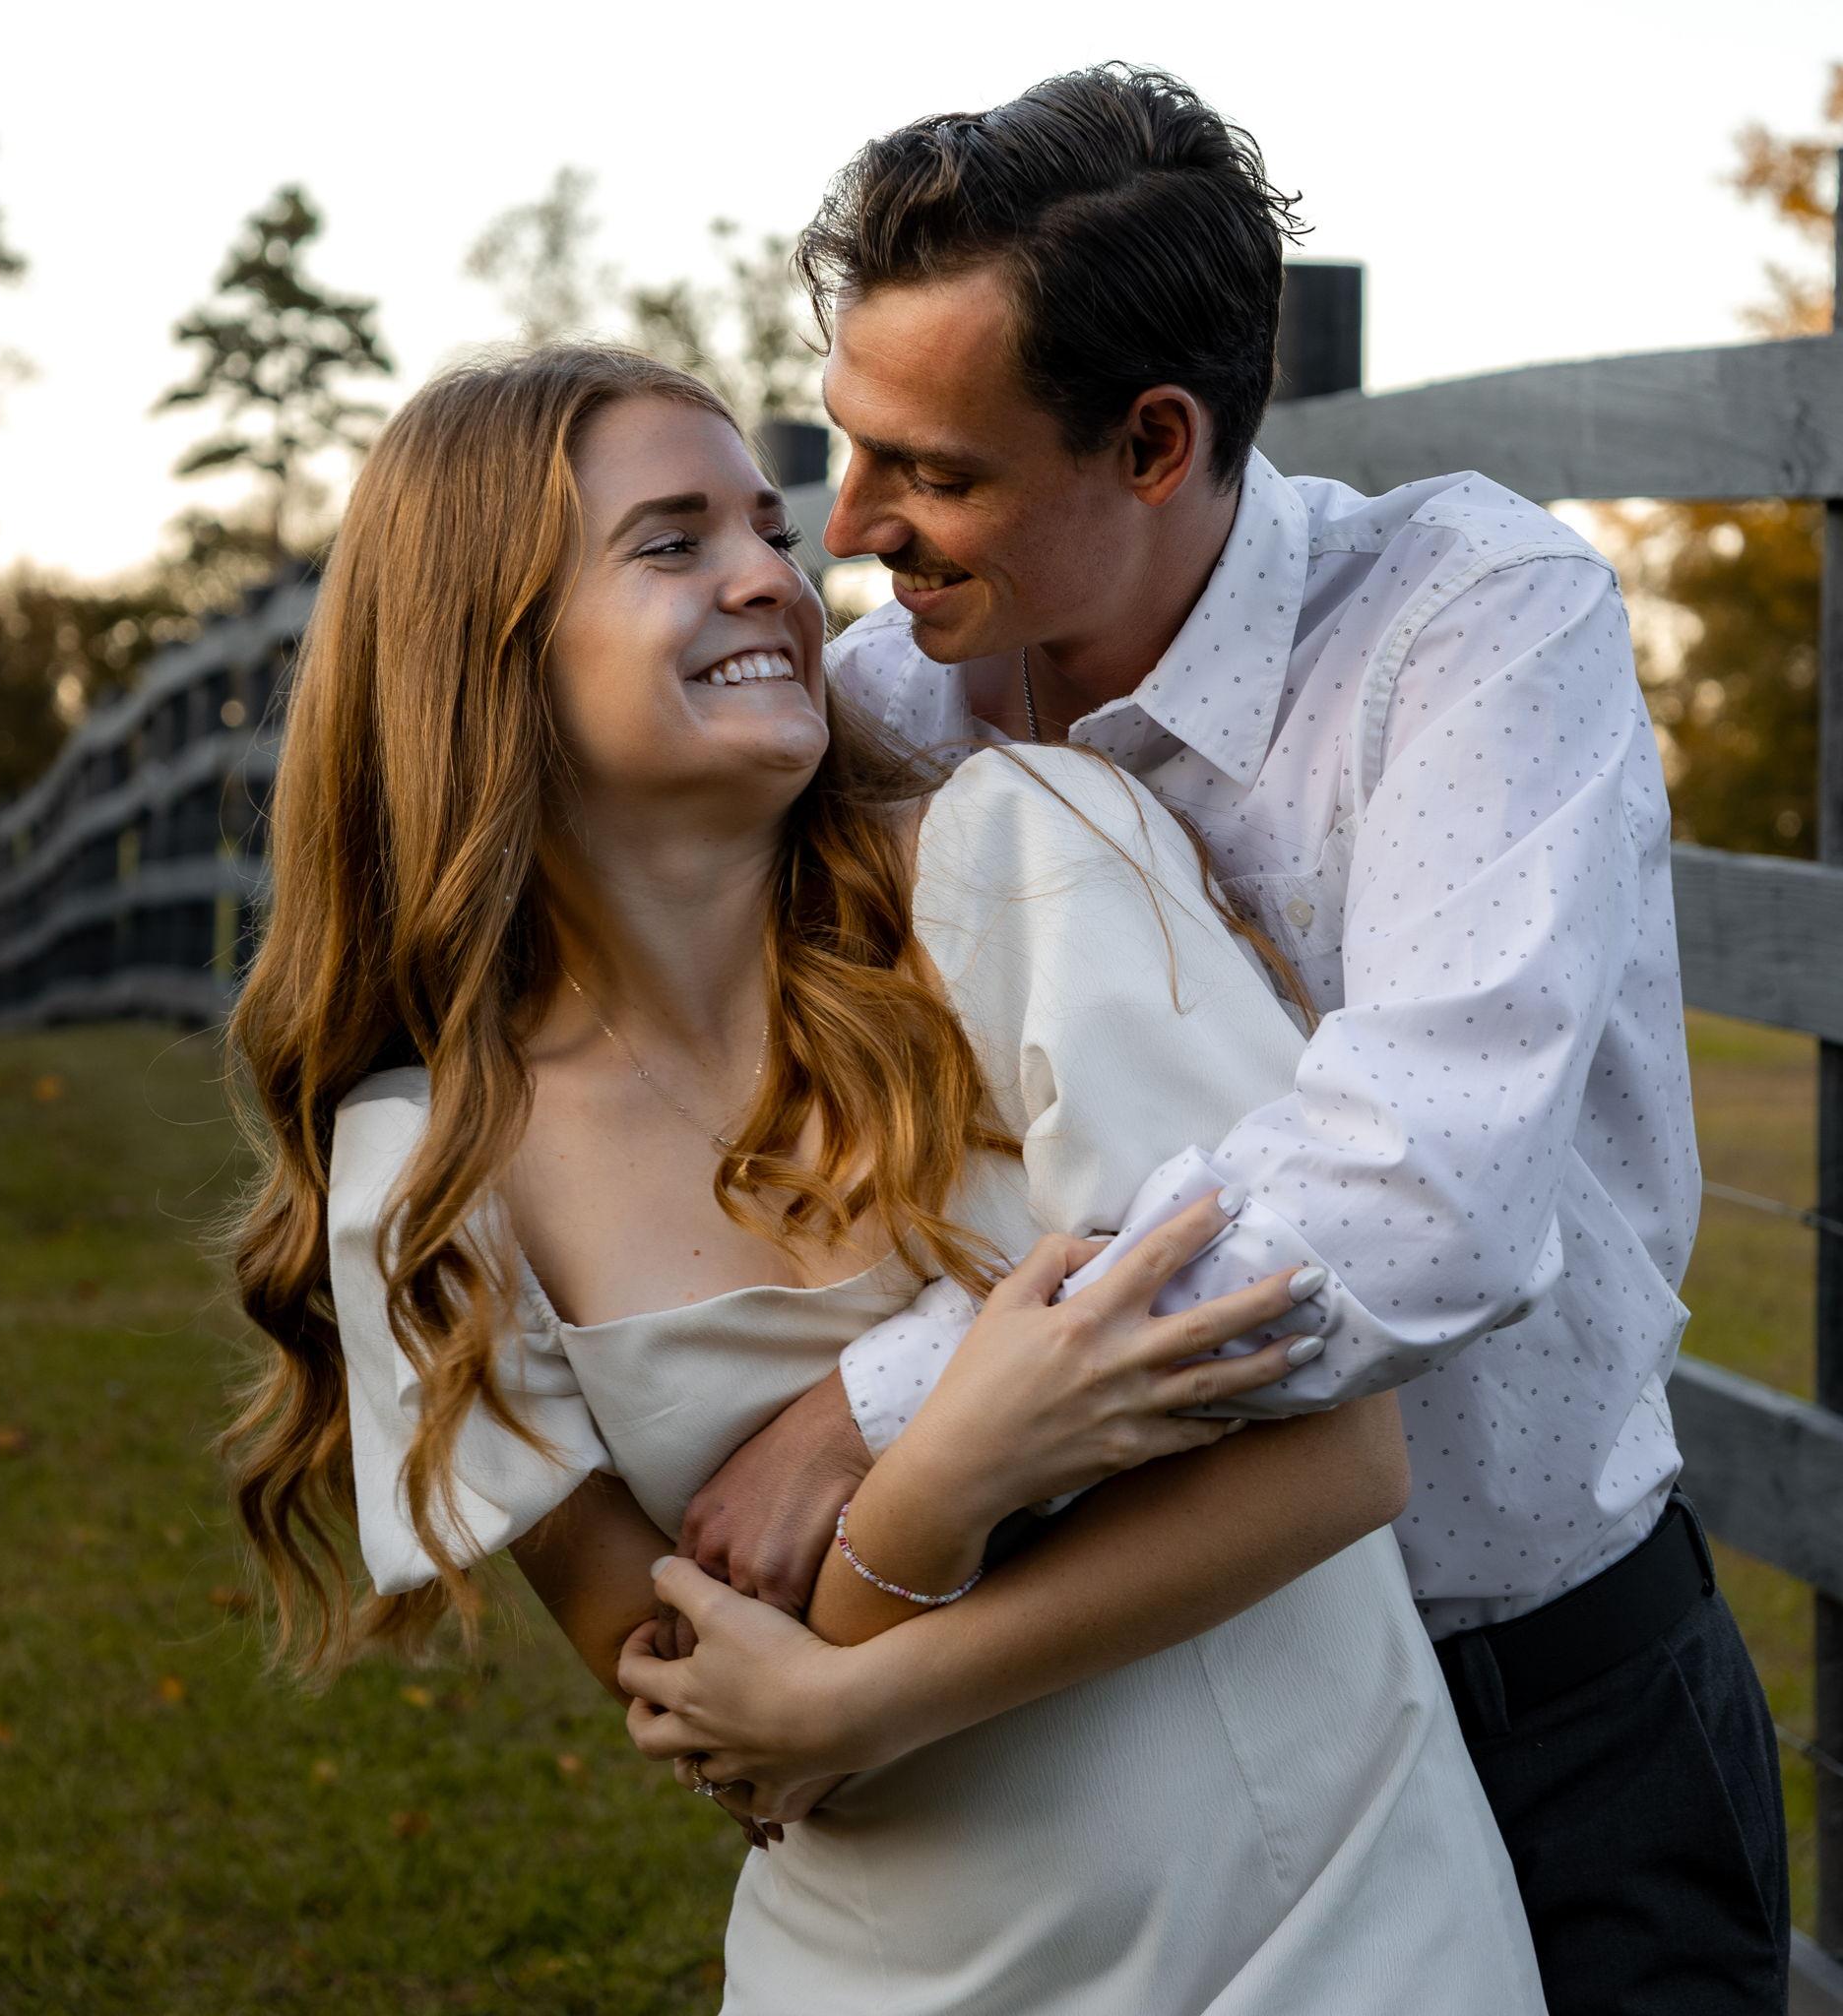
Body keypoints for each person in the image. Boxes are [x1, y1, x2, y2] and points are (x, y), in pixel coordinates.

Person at [221, 342, 1547, 2012]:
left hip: (1328, 1917)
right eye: (673, 542)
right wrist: (943, 1482)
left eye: (768, 531)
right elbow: (719, 1713)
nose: (773, 578)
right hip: (883, 1970)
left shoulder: (1028, 863)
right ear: (482, 653)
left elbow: (1340, 1460)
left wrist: (869, 1665)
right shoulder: (424, 1180)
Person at [667, 60, 1789, 2016]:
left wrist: (881, 1410)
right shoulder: (879, 718)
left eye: (934, 471)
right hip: (1126, 1730)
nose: (853, 528)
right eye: (850, 447)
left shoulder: (1469, 622)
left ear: (1155, 441)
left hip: (1544, 1706)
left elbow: (1415, 1196)